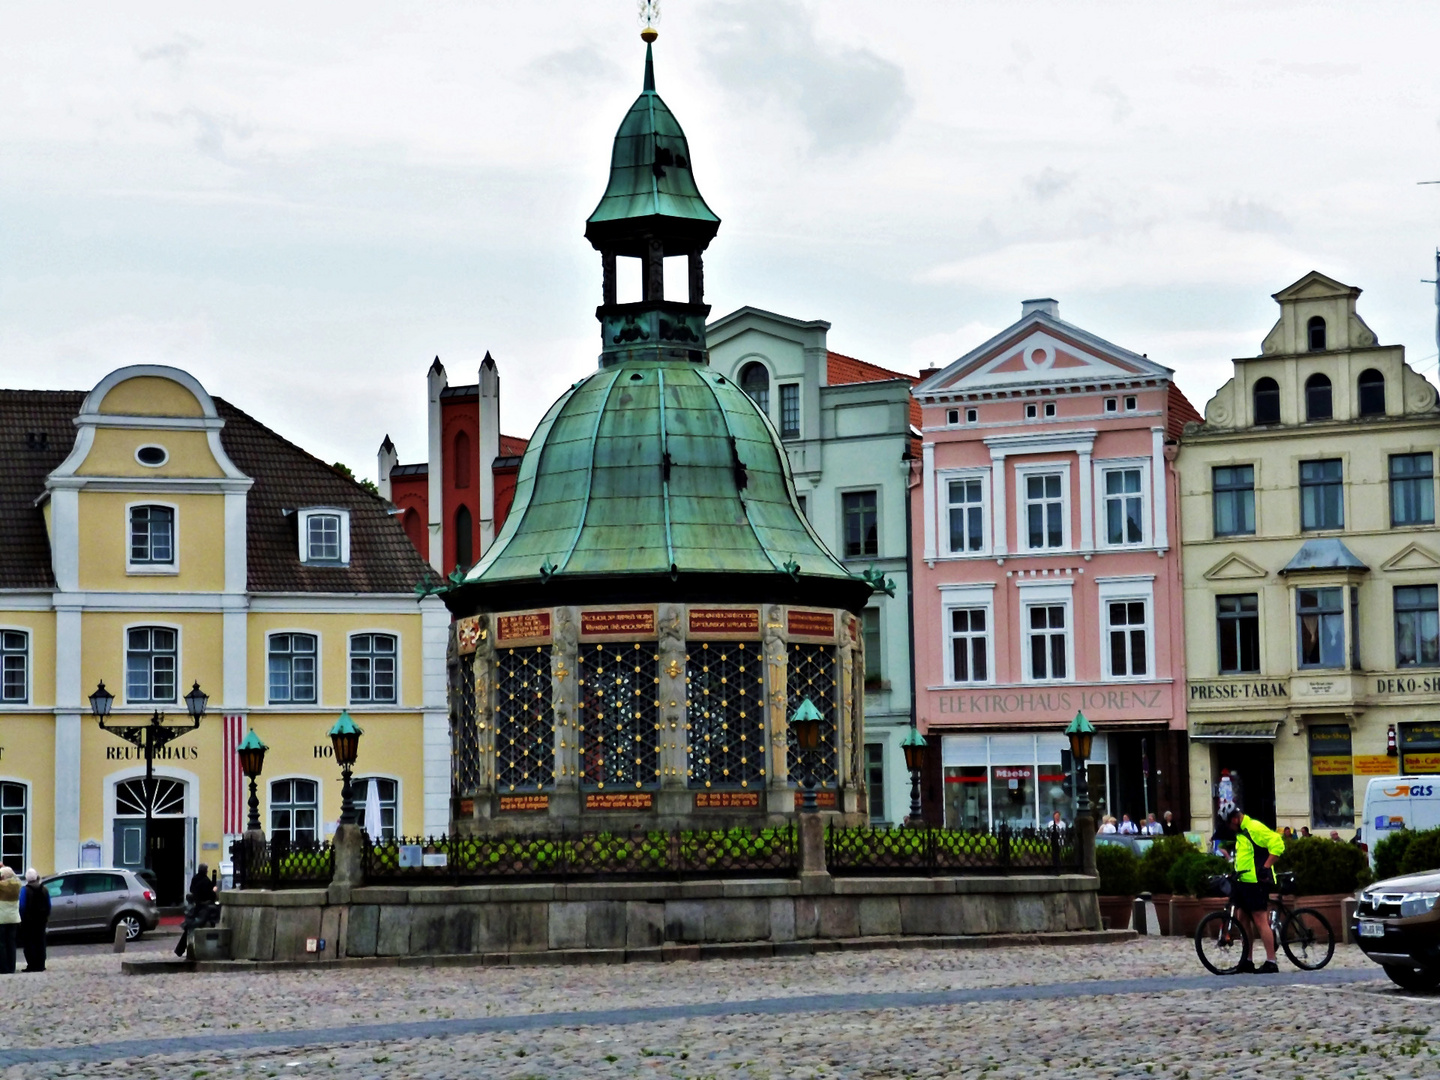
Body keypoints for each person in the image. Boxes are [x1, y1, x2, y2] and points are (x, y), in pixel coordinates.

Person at [1224, 806, 1285, 974]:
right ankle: (1247, 960)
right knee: (1242, 917)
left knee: (1260, 920)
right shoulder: (1241, 832)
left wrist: (1266, 866)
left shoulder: (1254, 828)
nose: (1229, 827)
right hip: (1243, 881)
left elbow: (1277, 844)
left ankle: (1271, 961)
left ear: (1235, 819)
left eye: (1229, 823)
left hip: (1257, 881)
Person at [175, 863, 219, 957]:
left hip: (195, 907)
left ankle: (179, 950)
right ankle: (184, 949)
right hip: (202, 908)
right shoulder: (205, 880)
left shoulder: (195, 878)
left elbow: (192, 889)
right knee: (196, 926)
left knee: (189, 928)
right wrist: (214, 891)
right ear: (205, 870)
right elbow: (209, 896)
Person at [18, 869, 50, 972]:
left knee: (29, 943)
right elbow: (49, 905)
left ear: (27, 878)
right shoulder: (44, 889)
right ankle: (41, 964)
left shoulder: (25, 890)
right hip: (41, 919)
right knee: (40, 942)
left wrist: (22, 918)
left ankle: (32, 965)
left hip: (28, 921)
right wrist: (46, 915)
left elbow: (22, 906)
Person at [0, 867, 19, 974]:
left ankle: (3, 967)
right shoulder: (17, 885)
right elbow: (14, 877)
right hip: (13, 918)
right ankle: (12, 967)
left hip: (2, 918)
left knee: (2, 944)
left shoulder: (2, 886)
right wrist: (5, 869)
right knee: (11, 943)